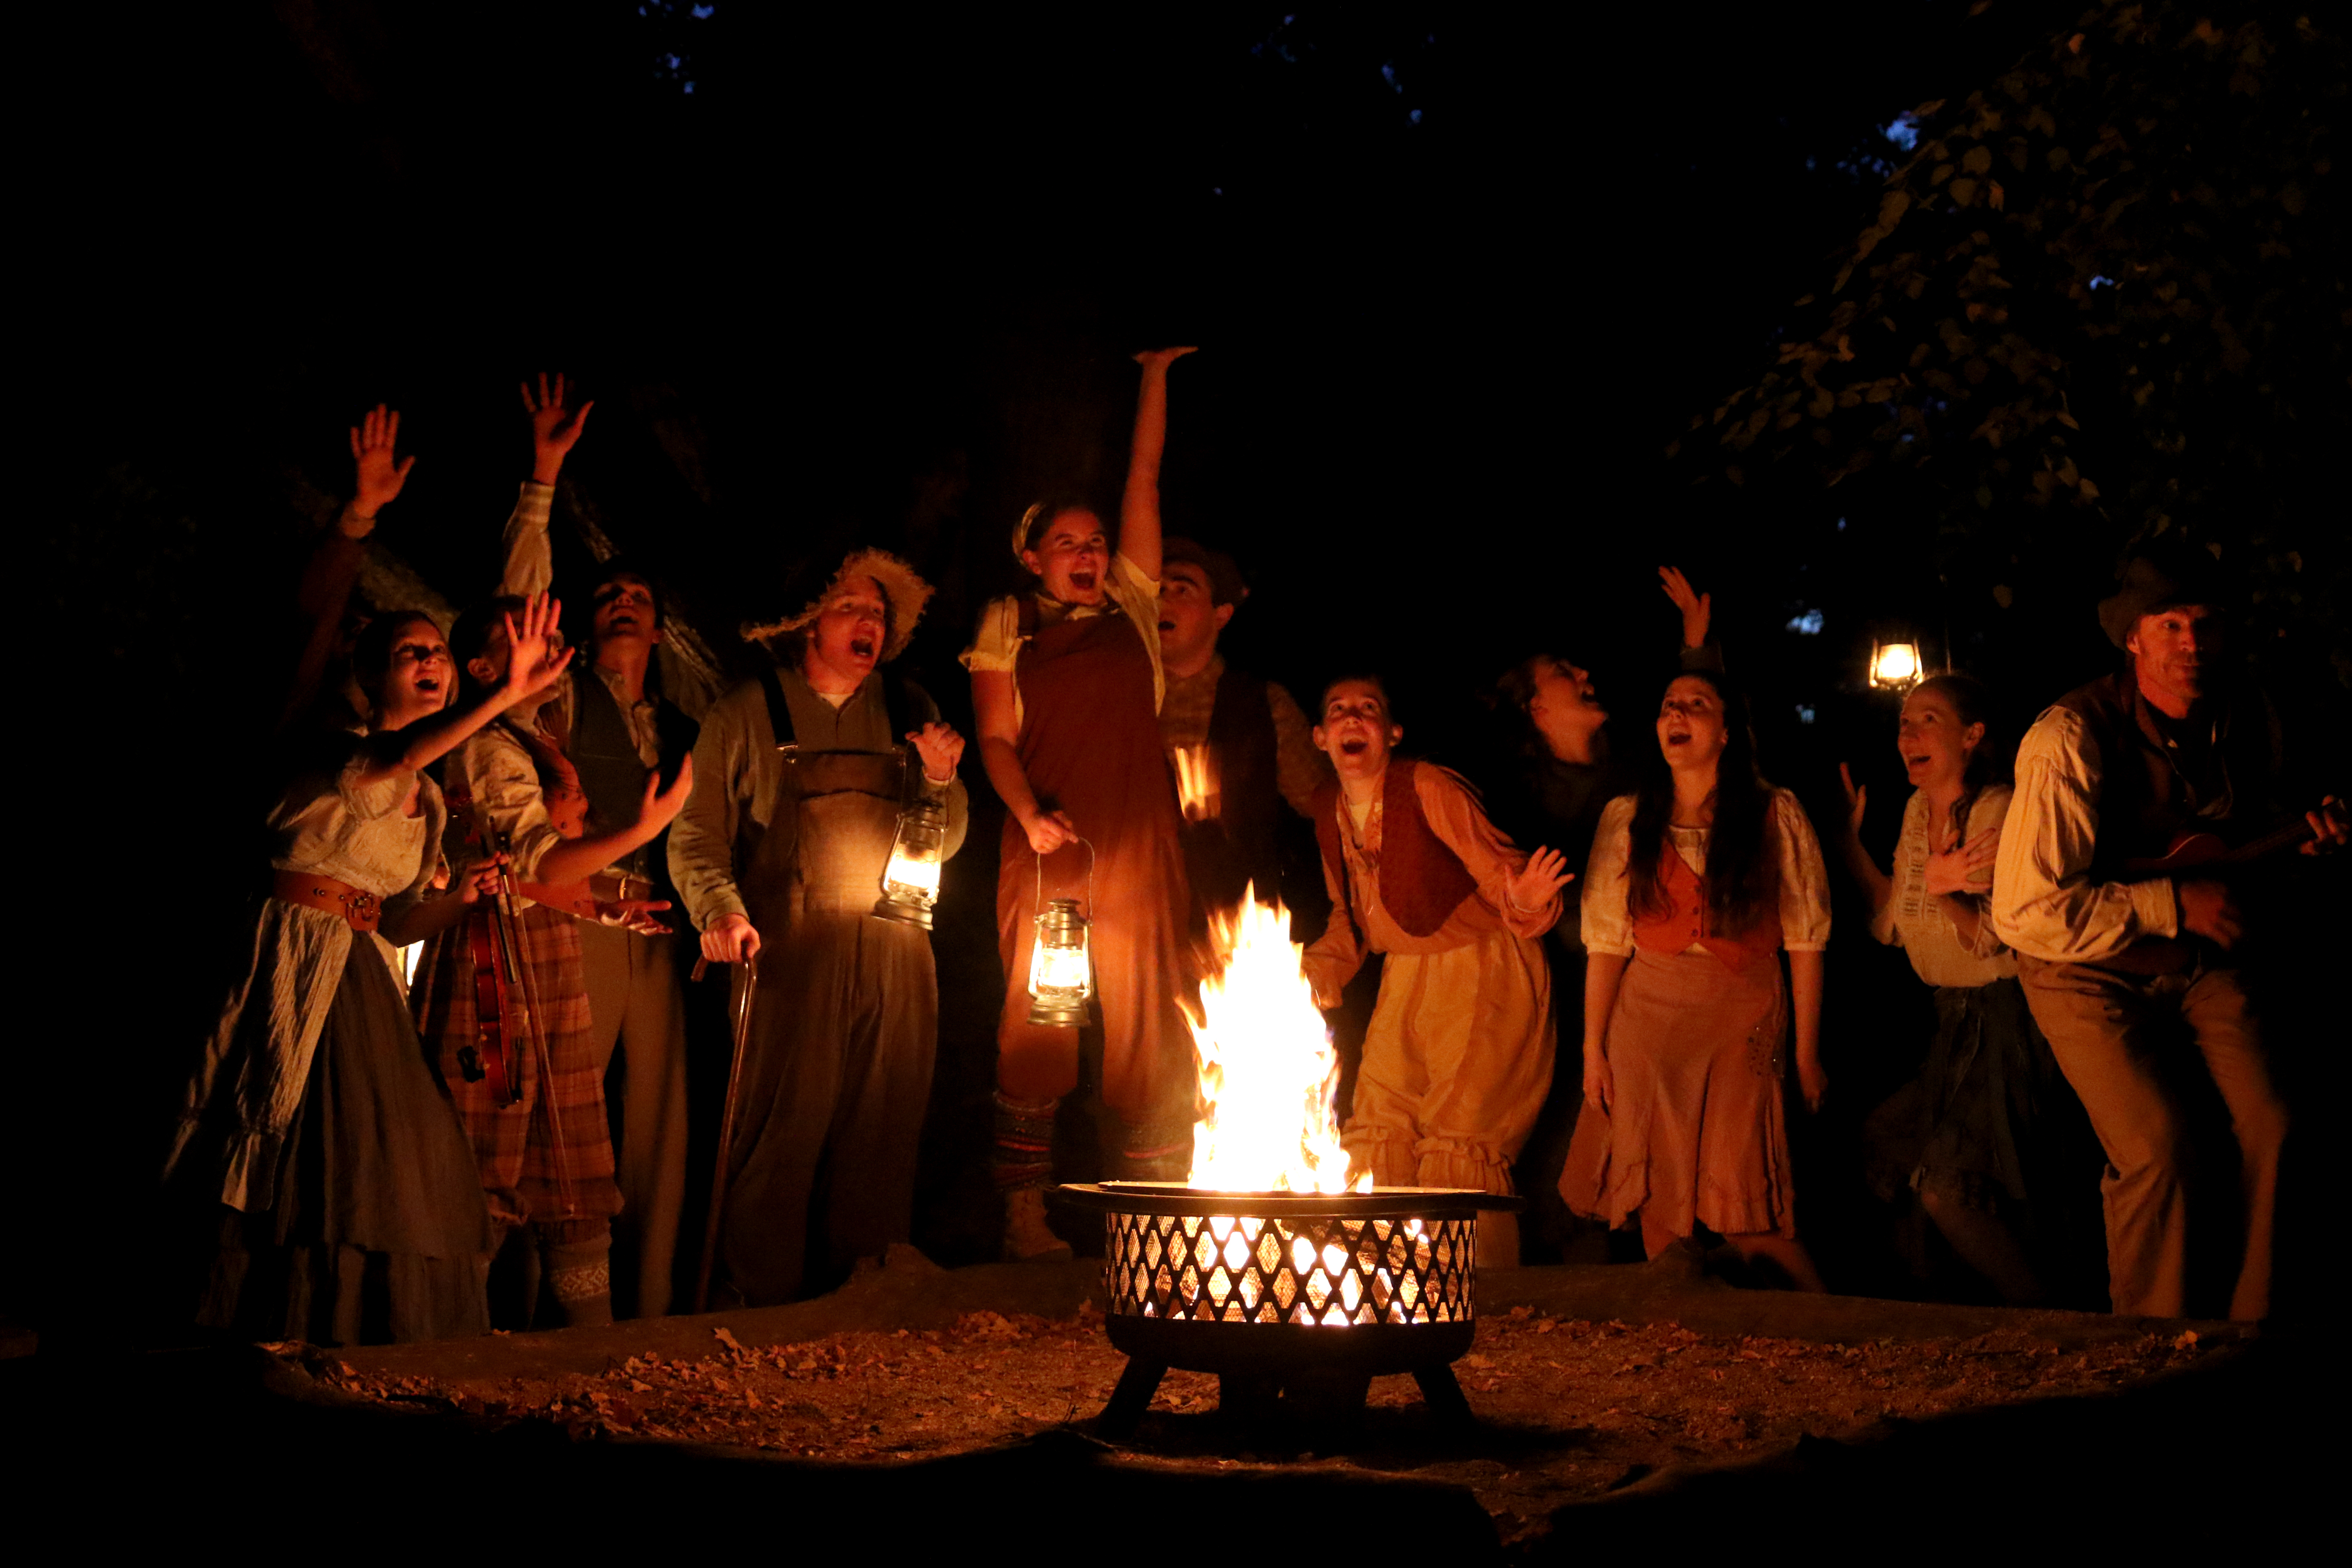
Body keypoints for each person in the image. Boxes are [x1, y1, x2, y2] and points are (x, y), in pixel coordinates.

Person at [170, 407, 570, 1344]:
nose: (433, 665)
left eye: (440, 654)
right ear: (371, 672)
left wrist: (455, 898)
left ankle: (348, 1333)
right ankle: (246, 1328)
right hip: (282, 960)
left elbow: (392, 923)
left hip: (353, 969)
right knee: (279, 1152)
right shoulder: (335, 748)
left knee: (400, 1155)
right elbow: (385, 761)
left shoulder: (428, 798)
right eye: (412, 654)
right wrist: (500, 695)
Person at [1991, 545, 2346, 1320]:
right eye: (2172, 624)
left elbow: (2245, 854)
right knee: (2158, 1147)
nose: (2192, 642)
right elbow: (2024, 913)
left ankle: (2254, 1329)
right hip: (2079, 960)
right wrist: (2168, 907)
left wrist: (2305, 848)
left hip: (2196, 958)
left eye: (2206, 625)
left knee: (2275, 1118)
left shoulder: (2249, 716)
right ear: (2134, 638)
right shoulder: (2066, 736)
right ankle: (2149, 1349)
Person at [668, 550, 968, 1305]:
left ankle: (865, 1300)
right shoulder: (747, 710)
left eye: (877, 612)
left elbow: (951, 832)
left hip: (897, 941)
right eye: (849, 607)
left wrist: (937, 779)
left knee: (883, 1128)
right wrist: (720, 907)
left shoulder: (908, 706)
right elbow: (696, 830)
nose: (869, 622)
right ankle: (758, 1303)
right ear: (807, 623)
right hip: (792, 946)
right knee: (780, 1131)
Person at [412, 526, 694, 1330]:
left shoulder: (533, 733)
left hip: (545, 954)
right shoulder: (488, 745)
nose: (548, 646)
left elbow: (539, 873)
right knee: (491, 1155)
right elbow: (530, 856)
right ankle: (460, 1338)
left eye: (548, 635)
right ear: (482, 670)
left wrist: (602, 900)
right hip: (491, 968)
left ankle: (590, 1347)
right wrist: (641, 830)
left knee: (566, 1153)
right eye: (522, 640)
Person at [965, 346, 1198, 1260]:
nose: (1090, 553)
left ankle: (1146, 1223)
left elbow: (1145, 478)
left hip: (1142, 847)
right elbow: (993, 738)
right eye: (1067, 543)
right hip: (1049, 846)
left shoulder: (1135, 614)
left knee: (1147, 1024)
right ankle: (1024, 1214)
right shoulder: (1009, 625)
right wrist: (1027, 815)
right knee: (1038, 1026)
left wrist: (1154, 378)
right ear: (1031, 558)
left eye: (1095, 542)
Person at [496, 372, 700, 1319]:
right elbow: (515, 617)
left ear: (659, 626)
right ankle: (547, 1306)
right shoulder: (565, 698)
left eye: (637, 597)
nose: (621, 603)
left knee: (662, 1120)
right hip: (579, 910)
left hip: (657, 931)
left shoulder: (681, 720)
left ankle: (653, 1300)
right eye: (607, 594)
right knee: (561, 1109)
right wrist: (544, 479)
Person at [1560, 668, 1831, 1291]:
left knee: (1745, 1206)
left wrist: (1808, 1054)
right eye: (1668, 706)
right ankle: (1690, 1339)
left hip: (1741, 1008)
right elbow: (1605, 942)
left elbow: (1807, 939)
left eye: (1696, 705)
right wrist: (1592, 1049)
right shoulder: (1628, 817)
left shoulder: (1772, 813)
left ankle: (1829, 1329)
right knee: (1661, 1196)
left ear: (1728, 731)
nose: (1677, 715)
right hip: (1647, 1014)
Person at [1300, 676, 1571, 1267]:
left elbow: (1498, 871)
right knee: (1381, 1122)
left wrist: (1525, 896)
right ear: (1320, 737)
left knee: (1460, 1132)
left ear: (1392, 733)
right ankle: (1384, 1291)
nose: (1353, 721)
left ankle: (1486, 1302)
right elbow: (1350, 923)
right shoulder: (1329, 807)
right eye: (1339, 711)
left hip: (1485, 967)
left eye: (1368, 711)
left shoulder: (1426, 786)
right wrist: (1301, 980)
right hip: (1407, 976)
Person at [1491, 566, 1720, 1257]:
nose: (1584, 672)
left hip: (1660, 987)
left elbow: (1709, 751)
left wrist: (1697, 652)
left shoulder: (1635, 776)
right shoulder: (1516, 796)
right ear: (1535, 708)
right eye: (1562, 671)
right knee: (1575, 1142)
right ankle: (1568, 1281)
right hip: (1564, 1003)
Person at [1833, 674, 2060, 1304]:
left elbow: (1994, 938)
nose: (1908, 734)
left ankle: (2048, 1314)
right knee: (1885, 1143)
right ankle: (1944, 1307)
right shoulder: (1914, 812)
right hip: (1953, 1019)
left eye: (1927, 719)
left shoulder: (1996, 809)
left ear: (1973, 735)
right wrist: (1847, 844)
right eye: (1904, 723)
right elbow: (1897, 925)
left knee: (1952, 1185)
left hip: (2001, 1019)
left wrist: (1946, 888)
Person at [1154, 535, 1330, 926]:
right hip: (1141, 926)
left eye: (1183, 589)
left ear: (1221, 614)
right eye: (1158, 590)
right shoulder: (1121, 702)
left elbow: (1324, 805)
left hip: (1241, 931)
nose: (1163, 601)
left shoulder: (1264, 704)